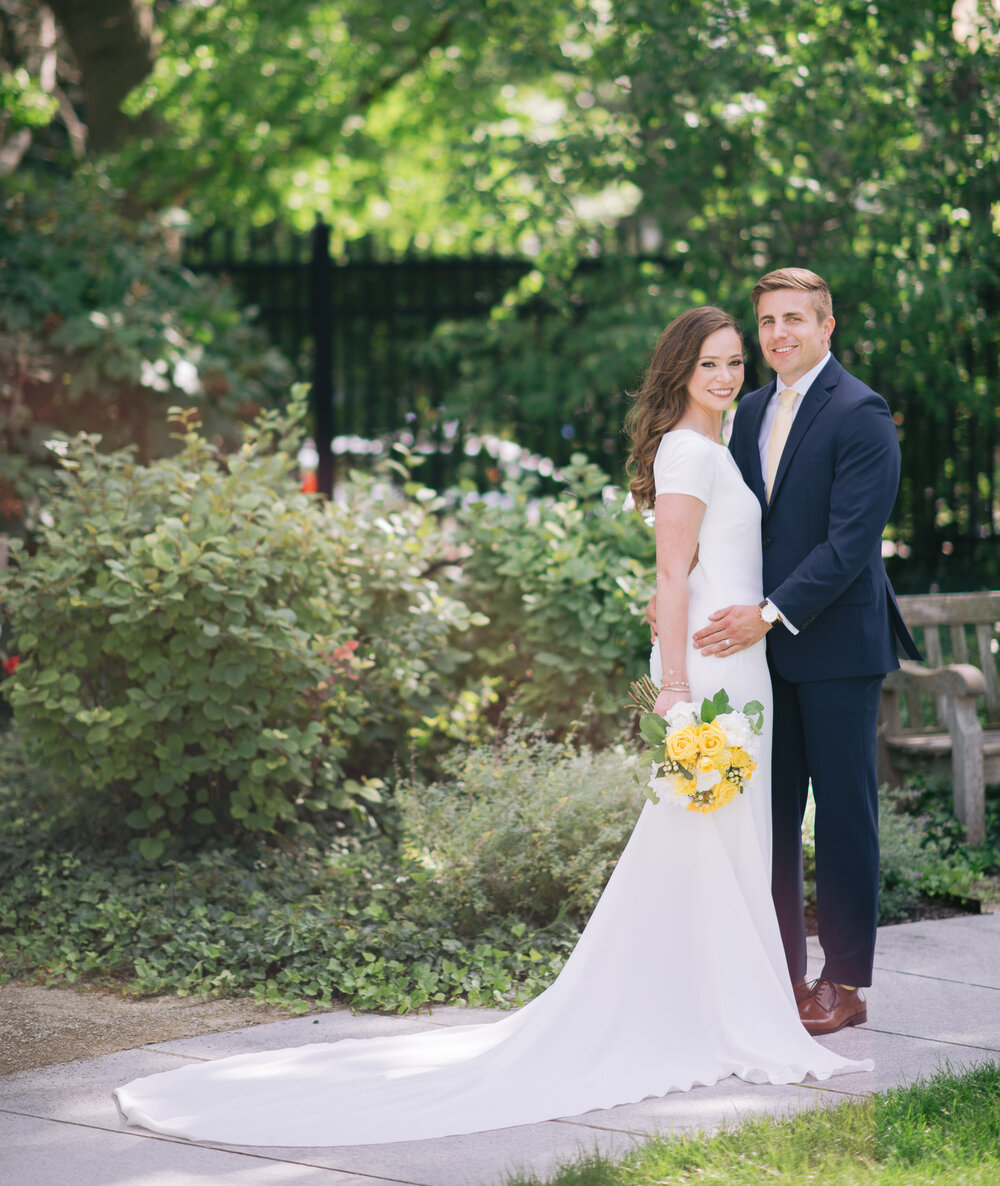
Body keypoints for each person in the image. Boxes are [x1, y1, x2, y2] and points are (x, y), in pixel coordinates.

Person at [115, 307, 870, 1150]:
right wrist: (678, 694)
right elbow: (667, 576)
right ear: (680, 373)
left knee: (727, 845)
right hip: (713, 671)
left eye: (735, 364)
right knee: (700, 841)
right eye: (712, 366)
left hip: (746, 667)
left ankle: (727, 1001)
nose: (729, 378)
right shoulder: (690, 451)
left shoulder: (719, 446)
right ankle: (710, 1010)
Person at [686, 269, 919, 1037]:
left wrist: (768, 614)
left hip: (838, 645)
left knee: (845, 815)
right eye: (768, 322)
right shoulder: (748, 409)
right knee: (771, 816)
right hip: (759, 657)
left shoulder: (861, 412)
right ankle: (781, 971)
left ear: (826, 327)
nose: (779, 333)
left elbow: (851, 544)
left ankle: (845, 983)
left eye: (794, 319)